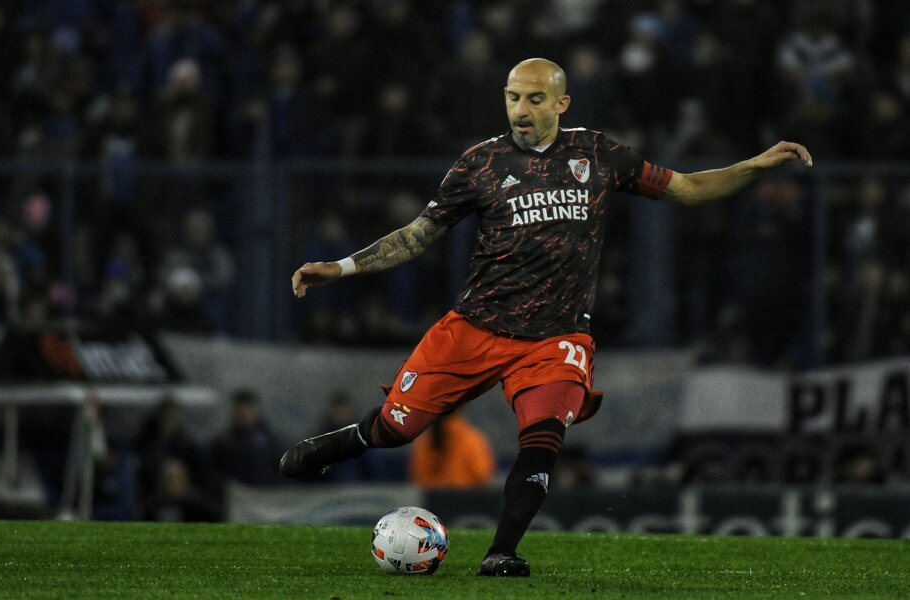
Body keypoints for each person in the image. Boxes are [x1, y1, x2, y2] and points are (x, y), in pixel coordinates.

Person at [280, 58, 812, 577]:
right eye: (513, 97)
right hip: (474, 326)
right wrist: (343, 267)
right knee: (397, 429)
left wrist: (752, 166)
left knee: (541, 441)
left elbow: (688, 188)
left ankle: (501, 554)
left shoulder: (599, 155)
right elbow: (418, 235)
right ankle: (336, 444)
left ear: (562, 103)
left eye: (535, 98)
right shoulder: (479, 164)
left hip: (556, 337)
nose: (521, 109)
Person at [408, 413, 496, 489]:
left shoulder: (424, 442)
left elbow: (419, 477)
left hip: (432, 502)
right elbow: (482, 475)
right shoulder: (472, 439)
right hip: (467, 501)